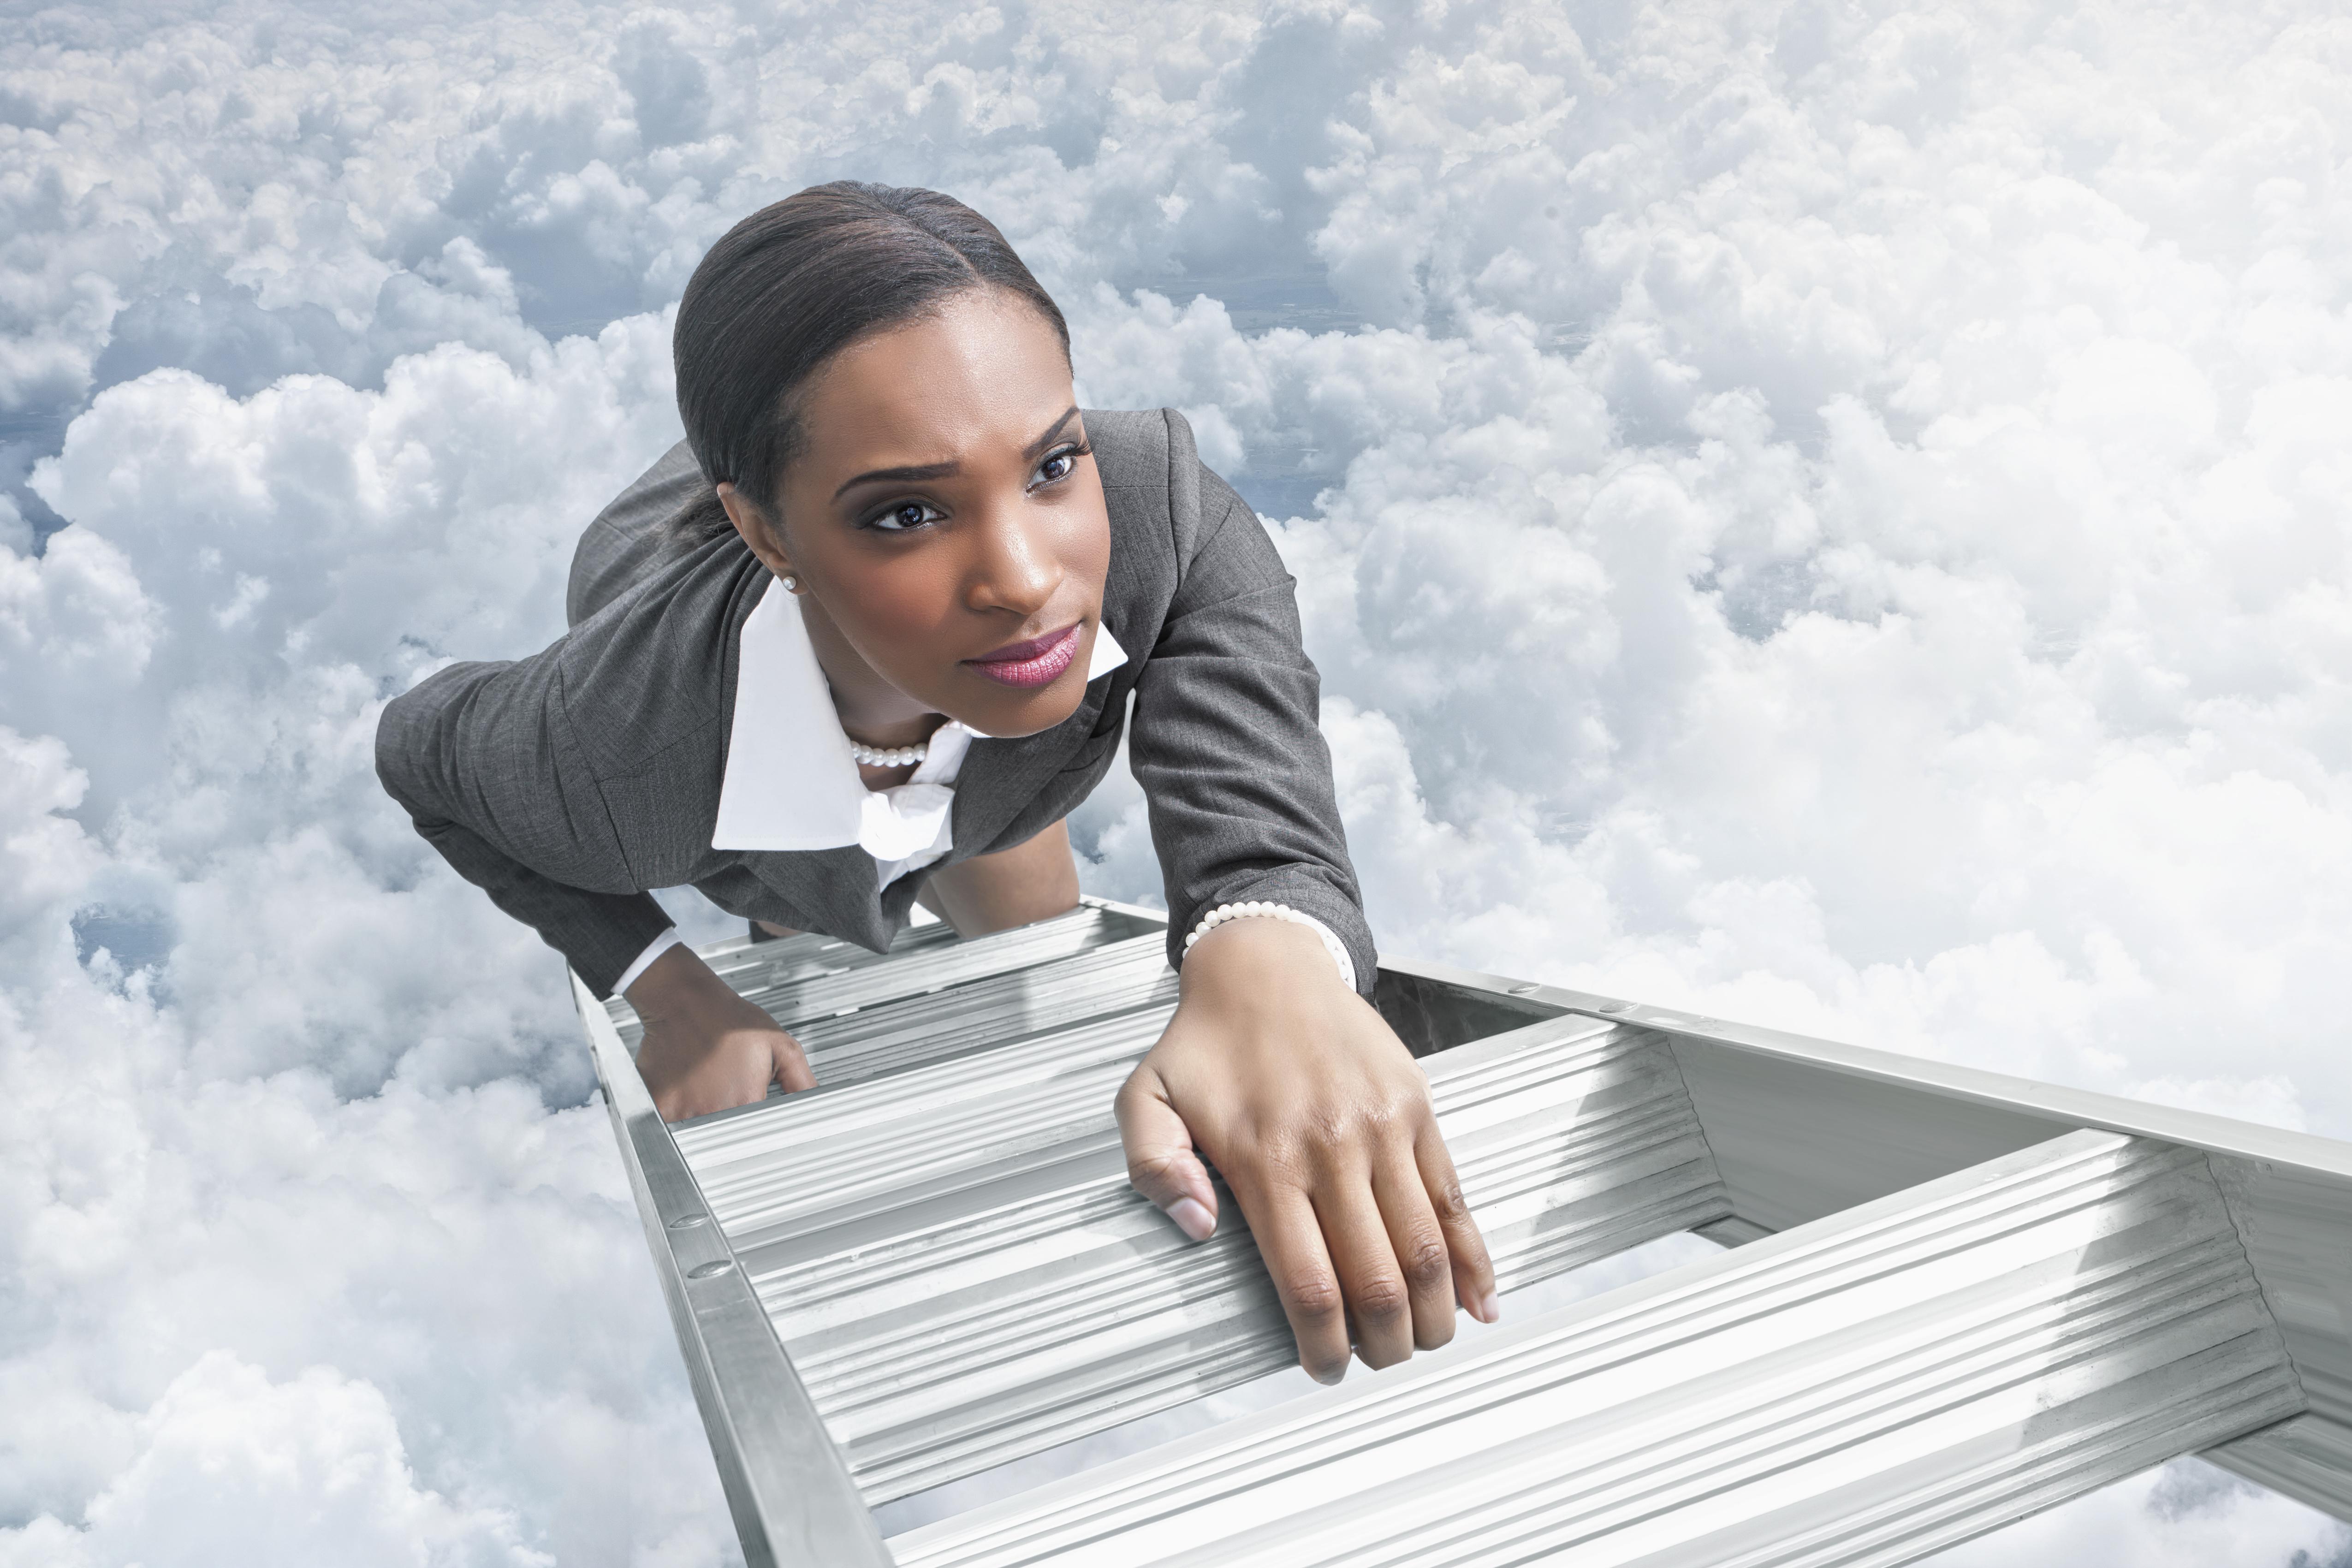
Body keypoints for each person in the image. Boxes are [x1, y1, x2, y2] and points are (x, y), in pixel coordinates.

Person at [374, 181, 1497, 1382]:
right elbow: (419, 752)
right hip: (707, 673)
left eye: (1051, 465)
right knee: (804, 915)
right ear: (763, 534)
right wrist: (672, 990)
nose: (1023, 578)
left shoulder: (1151, 506)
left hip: (942, 739)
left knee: (1031, 929)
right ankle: (796, 881)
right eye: (907, 513)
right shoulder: (618, 767)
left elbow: (1224, 644)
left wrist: (1269, 954)